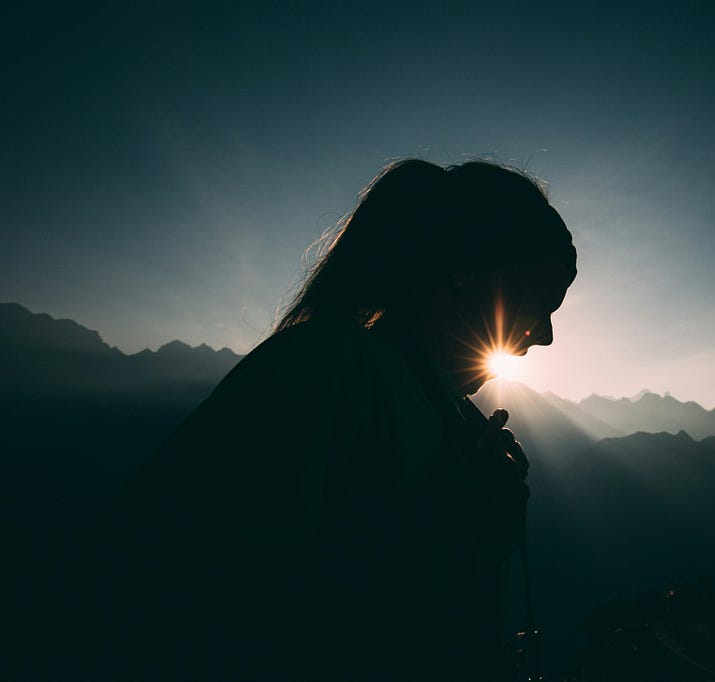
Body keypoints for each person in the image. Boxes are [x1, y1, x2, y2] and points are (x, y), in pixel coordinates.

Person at [80, 159, 577, 680]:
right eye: (540, 302)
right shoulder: (322, 370)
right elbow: (216, 625)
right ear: (465, 271)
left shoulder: (440, 409)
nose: (543, 335)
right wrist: (455, 533)